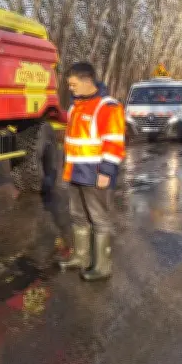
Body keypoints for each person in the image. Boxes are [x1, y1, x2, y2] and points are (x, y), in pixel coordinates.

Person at [57, 62, 126, 281]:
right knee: (78, 216)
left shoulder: (108, 107)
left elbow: (114, 142)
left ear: (87, 80)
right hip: (76, 172)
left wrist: (106, 172)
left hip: (96, 173)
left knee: (99, 218)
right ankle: (81, 257)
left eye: (73, 84)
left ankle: (102, 266)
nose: (70, 88)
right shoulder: (76, 106)